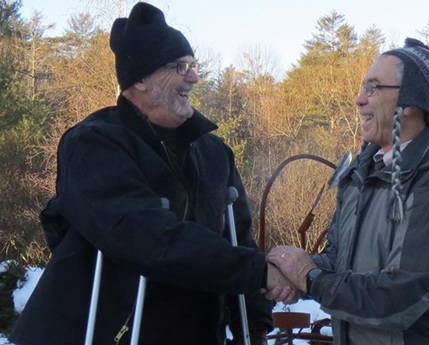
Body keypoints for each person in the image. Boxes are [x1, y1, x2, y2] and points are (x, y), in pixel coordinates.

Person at [8, 3, 295, 345]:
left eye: (194, 65)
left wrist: (256, 327)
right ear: (140, 79)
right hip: (106, 335)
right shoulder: (94, 145)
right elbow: (144, 235)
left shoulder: (213, 152)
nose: (195, 77)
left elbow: (239, 238)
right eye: (181, 67)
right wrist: (257, 271)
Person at [267, 38, 429, 345]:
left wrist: (310, 278)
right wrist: (291, 272)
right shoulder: (361, 173)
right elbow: (338, 261)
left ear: (410, 103)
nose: (359, 99)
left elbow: (398, 300)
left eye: (372, 88)